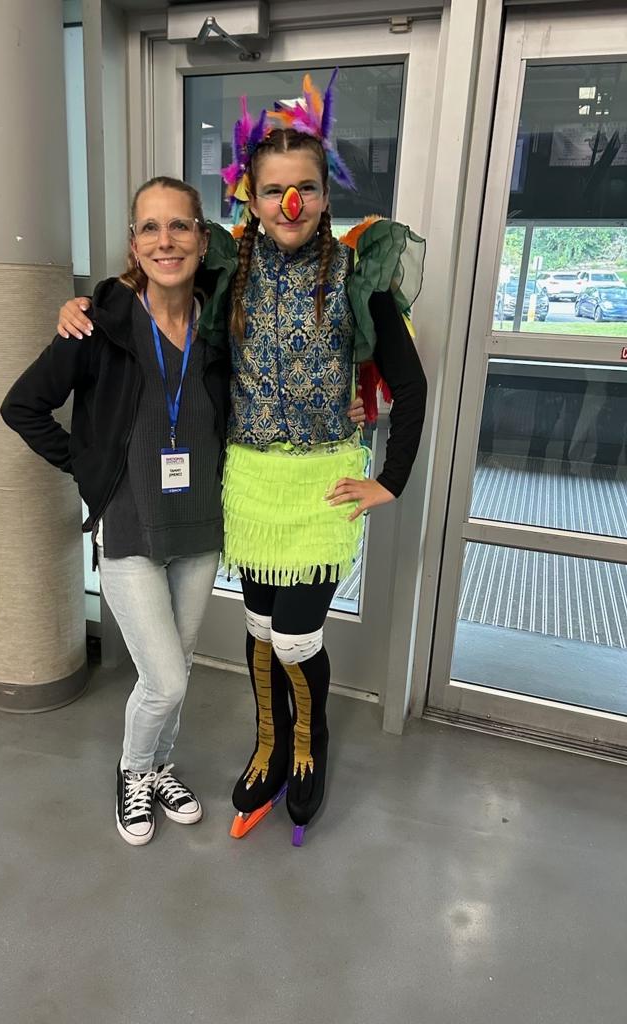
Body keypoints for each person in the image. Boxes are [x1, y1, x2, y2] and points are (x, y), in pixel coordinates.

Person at [55, 71, 427, 845]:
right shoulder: (229, 271)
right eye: (274, 190)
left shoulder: (359, 275)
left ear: (324, 195)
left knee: (295, 636)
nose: (290, 203)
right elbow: (154, 275)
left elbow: (411, 382)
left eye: (305, 188)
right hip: (249, 479)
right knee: (258, 627)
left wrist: (388, 481)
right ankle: (268, 743)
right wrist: (83, 304)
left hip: (322, 484)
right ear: (250, 199)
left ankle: (309, 743)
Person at [1, 177, 235, 846]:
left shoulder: (221, 324)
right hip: (130, 526)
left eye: (180, 225)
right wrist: (87, 465)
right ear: (134, 244)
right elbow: (22, 405)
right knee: (164, 679)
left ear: (202, 239)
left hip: (199, 524)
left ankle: (161, 765)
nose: (166, 240)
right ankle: (133, 771)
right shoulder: (98, 324)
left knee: (178, 666)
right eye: (150, 228)